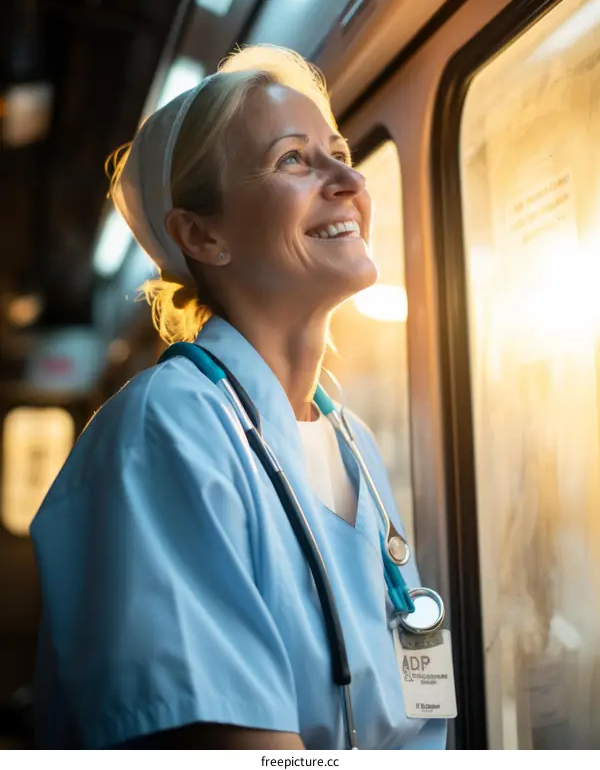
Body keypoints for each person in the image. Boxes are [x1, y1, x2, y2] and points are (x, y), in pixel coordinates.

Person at [30, 45, 447, 750]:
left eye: (340, 153)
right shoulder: (165, 430)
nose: (350, 180)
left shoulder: (355, 445)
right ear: (203, 234)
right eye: (294, 159)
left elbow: (423, 710)